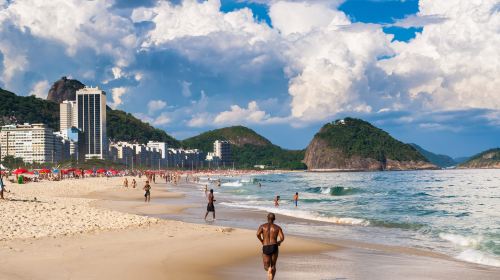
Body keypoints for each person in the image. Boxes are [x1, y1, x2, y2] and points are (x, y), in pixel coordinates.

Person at [256, 213, 285, 280]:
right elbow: (282, 238)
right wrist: (279, 242)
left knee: (266, 267)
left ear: (267, 218)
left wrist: (262, 241)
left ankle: (269, 270)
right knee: (273, 265)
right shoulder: (277, 227)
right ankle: (271, 276)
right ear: (274, 219)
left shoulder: (262, 226)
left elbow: (257, 234)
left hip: (266, 246)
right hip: (274, 246)